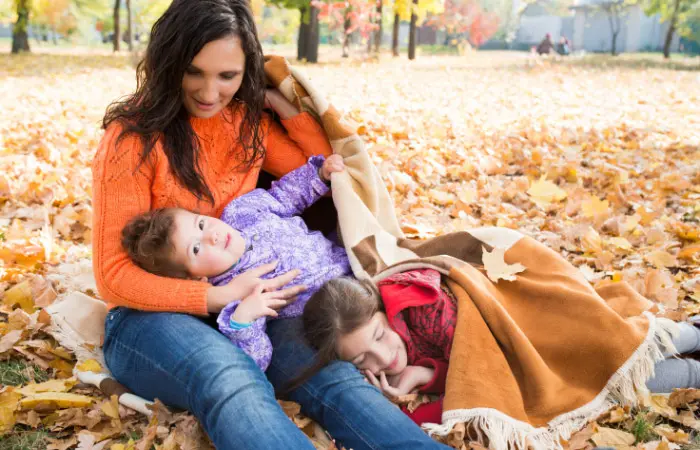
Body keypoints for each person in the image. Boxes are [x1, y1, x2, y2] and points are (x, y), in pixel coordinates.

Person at [92, 0, 451, 448]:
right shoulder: (132, 139)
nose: (209, 92)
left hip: (262, 310)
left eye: (228, 76)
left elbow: (323, 169)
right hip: (152, 319)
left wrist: (280, 105)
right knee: (229, 377)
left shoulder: (245, 123)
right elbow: (112, 276)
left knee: (337, 382)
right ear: (168, 63)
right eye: (194, 72)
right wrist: (218, 296)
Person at [301, 271, 700, 425]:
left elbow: (479, 380)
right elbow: (470, 382)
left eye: (378, 337)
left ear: (382, 310)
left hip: (536, 332)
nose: (383, 359)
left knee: (612, 343)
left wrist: (430, 380)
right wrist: (424, 375)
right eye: (361, 361)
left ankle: (693, 334)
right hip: (521, 368)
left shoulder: (422, 308)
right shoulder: (387, 361)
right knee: (603, 383)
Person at [121, 154, 351, 371]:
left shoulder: (241, 212)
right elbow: (256, 362)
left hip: (349, 257)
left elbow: (284, 195)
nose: (211, 236)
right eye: (196, 248)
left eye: (201, 224)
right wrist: (244, 321)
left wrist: (318, 175)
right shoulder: (234, 294)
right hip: (340, 300)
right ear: (196, 277)